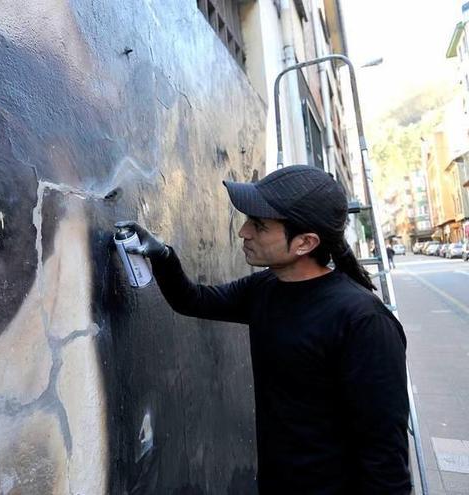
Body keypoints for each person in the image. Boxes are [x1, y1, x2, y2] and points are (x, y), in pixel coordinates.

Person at [118, 165, 412, 494]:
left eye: (259, 225)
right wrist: (162, 255)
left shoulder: (363, 323)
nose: (244, 232)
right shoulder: (266, 289)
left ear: (305, 243)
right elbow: (194, 301)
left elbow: (385, 457)